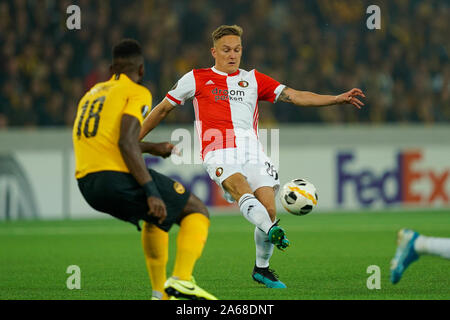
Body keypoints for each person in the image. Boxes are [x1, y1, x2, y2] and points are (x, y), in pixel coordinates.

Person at [139, 25, 365, 288]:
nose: (232, 55)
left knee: (269, 209)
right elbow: (163, 108)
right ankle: (272, 231)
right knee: (241, 190)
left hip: (253, 151)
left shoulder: (254, 79)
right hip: (217, 150)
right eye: (226, 50)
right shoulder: (196, 78)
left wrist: (335, 99)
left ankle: (262, 268)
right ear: (214, 52)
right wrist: (136, 137)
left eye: (237, 50)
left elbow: (295, 96)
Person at [72, 39, 217, 300]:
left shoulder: (91, 94)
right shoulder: (137, 91)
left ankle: (159, 294)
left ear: (111, 68)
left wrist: (151, 148)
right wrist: (150, 190)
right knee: (196, 209)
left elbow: (109, 141)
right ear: (141, 70)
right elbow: (126, 141)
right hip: (113, 177)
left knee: (157, 216)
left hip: (86, 183)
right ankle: (182, 279)